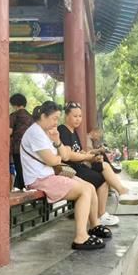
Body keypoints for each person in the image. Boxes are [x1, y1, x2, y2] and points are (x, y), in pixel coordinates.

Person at [20, 101, 107, 250]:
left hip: (50, 175)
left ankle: (94, 225)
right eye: (54, 118)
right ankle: (81, 237)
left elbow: (65, 155)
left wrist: (57, 141)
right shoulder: (35, 133)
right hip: (40, 179)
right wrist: (60, 155)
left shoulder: (47, 132)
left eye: (57, 119)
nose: (56, 122)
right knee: (84, 191)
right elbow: (52, 160)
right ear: (43, 116)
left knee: (90, 187)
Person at [59, 102, 138, 209]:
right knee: (102, 179)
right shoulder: (63, 130)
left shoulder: (74, 131)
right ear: (67, 116)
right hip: (71, 169)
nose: (78, 119)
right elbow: (68, 155)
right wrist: (86, 157)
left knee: (104, 166)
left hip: (80, 165)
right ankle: (115, 199)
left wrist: (92, 158)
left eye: (80, 116)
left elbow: (79, 152)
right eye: (75, 116)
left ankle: (122, 191)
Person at [9, 93, 33, 189]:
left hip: (17, 147)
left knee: (19, 169)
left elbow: (9, 131)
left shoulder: (14, 116)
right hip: (29, 148)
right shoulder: (30, 117)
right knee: (26, 169)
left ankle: (20, 188)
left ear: (14, 104)